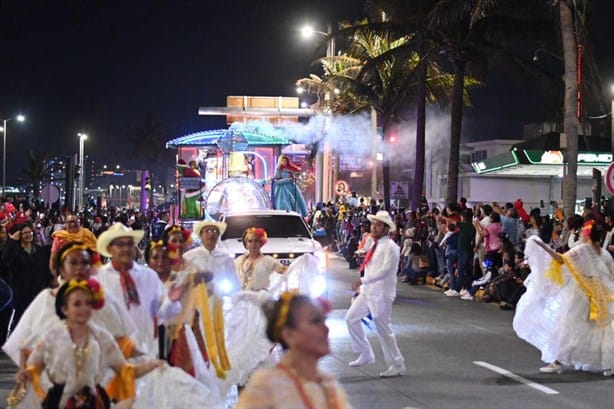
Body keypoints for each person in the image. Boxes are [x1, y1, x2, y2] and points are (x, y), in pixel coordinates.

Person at [15, 279, 164, 409]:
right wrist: (26, 374)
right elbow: (34, 368)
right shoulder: (51, 337)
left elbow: (125, 370)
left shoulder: (102, 337)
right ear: (64, 309)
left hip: (95, 402)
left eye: (88, 303)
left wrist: (151, 366)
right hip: (59, 402)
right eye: (77, 304)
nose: (84, 308)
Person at [513, 221, 614, 375]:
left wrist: (541, 246)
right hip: (602, 296)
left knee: (568, 328)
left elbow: (561, 259)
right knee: (601, 330)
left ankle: (558, 361)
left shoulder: (582, 249)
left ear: (586, 234)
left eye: (582, 231)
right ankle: (609, 364)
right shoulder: (604, 253)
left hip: (581, 295)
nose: (580, 233)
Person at [236, 291, 352, 409]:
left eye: (324, 320)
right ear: (288, 334)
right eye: (315, 321)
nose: (326, 329)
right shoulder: (267, 387)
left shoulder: (329, 385)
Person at [96, 222, 183, 356]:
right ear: (109, 249)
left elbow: (163, 315)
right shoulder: (98, 278)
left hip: (146, 351)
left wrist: (171, 301)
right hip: (110, 355)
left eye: (130, 244)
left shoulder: (149, 276)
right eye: (120, 244)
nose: (126, 248)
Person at [344, 210, 405, 378]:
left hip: (382, 293)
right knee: (351, 318)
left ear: (387, 229)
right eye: (373, 224)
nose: (374, 227)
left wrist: (363, 281)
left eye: (378, 225)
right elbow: (370, 263)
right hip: (368, 291)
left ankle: (397, 363)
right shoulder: (374, 243)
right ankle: (365, 353)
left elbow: (385, 271)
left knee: (383, 328)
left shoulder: (392, 247)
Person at [3, 222, 52, 330]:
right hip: (20, 292)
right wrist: (12, 241)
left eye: (29, 232)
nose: (28, 235)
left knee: (36, 321)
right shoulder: (15, 251)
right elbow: (4, 259)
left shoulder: (39, 250)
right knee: (19, 321)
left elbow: (44, 269)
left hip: (36, 292)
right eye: (25, 233)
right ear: (20, 235)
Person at [183, 219, 240, 296]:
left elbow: (233, 282)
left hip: (219, 299)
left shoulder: (225, 257)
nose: (211, 234)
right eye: (207, 231)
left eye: (215, 231)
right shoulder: (189, 256)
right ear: (201, 235)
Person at [48, 213, 97, 278]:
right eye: (70, 222)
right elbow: (53, 259)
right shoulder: (59, 237)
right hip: (66, 275)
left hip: (88, 275)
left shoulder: (87, 234)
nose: (73, 224)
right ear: (65, 224)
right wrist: (54, 277)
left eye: (76, 221)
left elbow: (96, 253)